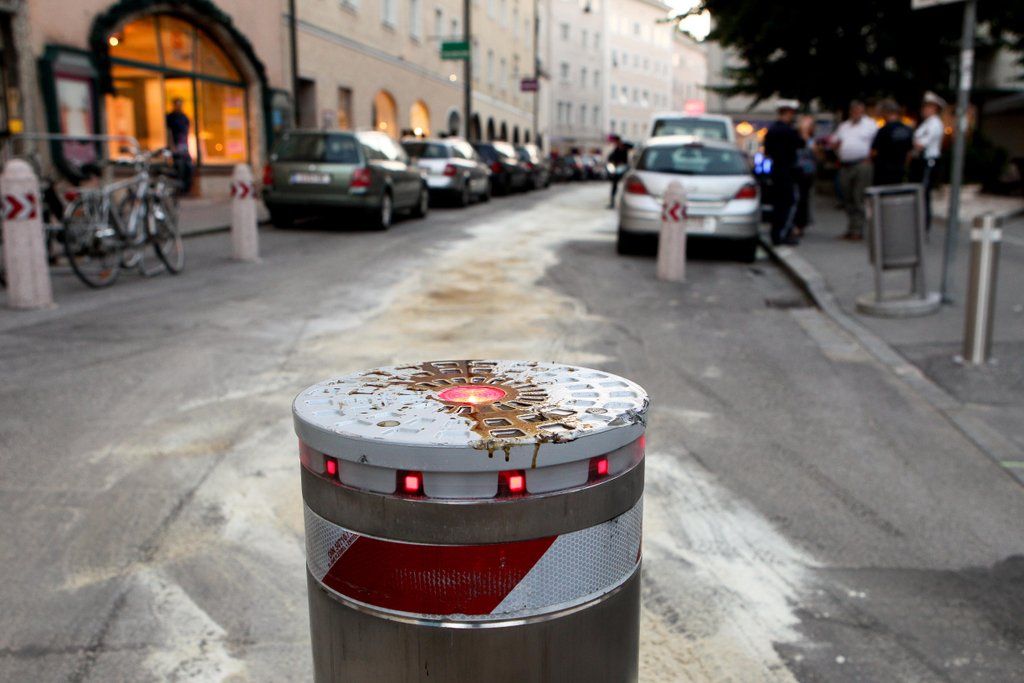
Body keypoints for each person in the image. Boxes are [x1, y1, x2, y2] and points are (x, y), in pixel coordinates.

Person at [831, 100, 877, 240]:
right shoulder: (844, 126)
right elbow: (835, 140)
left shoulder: (870, 125)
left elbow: (876, 143)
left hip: (861, 164)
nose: (856, 113)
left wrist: (871, 156)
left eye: (859, 110)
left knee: (859, 196)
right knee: (847, 196)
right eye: (854, 110)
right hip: (845, 164)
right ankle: (851, 227)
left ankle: (858, 229)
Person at [763, 99, 804, 245]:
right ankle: (782, 234)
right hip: (787, 171)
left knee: (778, 205)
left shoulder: (772, 130)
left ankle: (776, 234)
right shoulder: (788, 131)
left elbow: (767, 151)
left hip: (776, 171)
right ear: (788, 113)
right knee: (787, 204)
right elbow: (801, 143)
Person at [912, 91, 946, 233]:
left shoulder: (934, 124)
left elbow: (920, 144)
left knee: (924, 194)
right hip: (922, 161)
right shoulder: (926, 123)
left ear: (934, 108)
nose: (924, 110)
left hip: (928, 161)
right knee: (920, 194)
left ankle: (923, 227)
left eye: (928, 107)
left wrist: (914, 143)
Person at [871, 99, 914, 185]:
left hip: (883, 172)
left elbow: (874, 151)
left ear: (885, 113)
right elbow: (909, 153)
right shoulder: (907, 129)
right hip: (900, 171)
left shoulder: (883, 130)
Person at [793, 115, 817, 238]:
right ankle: (795, 223)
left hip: (806, 173)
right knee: (796, 198)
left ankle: (800, 224)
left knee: (803, 199)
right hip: (795, 171)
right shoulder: (795, 137)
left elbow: (815, 153)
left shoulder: (811, 140)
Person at [165, 98, 193, 194]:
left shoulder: (184, 117)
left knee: (188, 167)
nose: (179, 106)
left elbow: (186, 133)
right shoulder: (170, 117)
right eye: (177, 104)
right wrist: (171, 146)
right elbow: (168, 132)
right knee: (177, 167)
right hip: (175, 146)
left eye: (180, 104)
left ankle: (185, 188)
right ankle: (177, 189)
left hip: (184, 146)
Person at [607, 135, 631, 208]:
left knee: (621, 182)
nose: (615, 143)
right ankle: (612, 202)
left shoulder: (624, 147)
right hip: (616, 167)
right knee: (614, 183)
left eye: (615, 141)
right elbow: (611, 157)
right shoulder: (616, 149)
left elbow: (631, 147)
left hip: (623, 166)